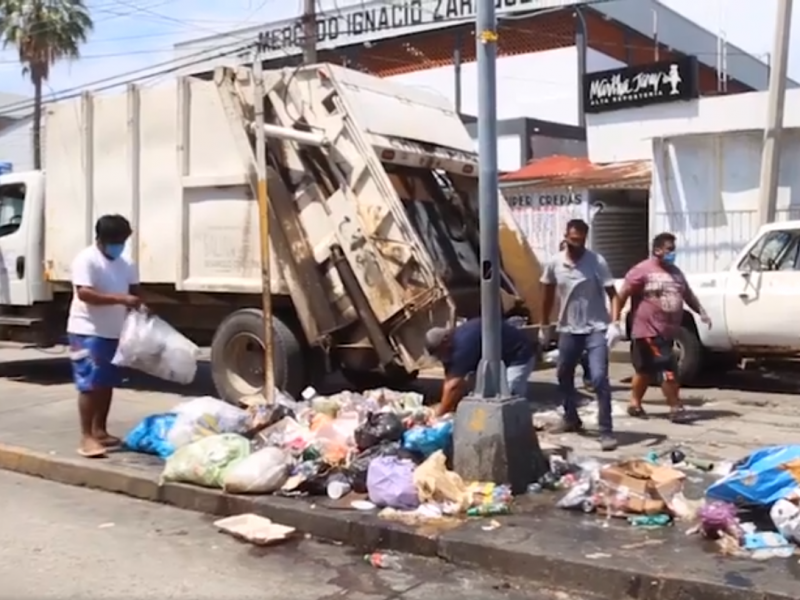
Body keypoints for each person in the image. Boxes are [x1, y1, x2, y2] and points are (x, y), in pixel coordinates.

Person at [613, 232, 710, 423]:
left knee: (645, 371)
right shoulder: (642, 270)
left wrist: (701, 312)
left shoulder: (675, 272)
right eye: (669, 249)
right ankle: (675, 407)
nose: (672, 253)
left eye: (673, 250)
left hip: (667, 331)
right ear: (657, 250)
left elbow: (687, 295)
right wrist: (615, 320)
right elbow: (622, 294)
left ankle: (634, 403)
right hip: (647, 330)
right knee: (668, 366)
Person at [540, 219, 619, 451]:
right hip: (568, 329)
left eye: (581, 240)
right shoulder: (554, 262)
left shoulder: (596, 262)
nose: (576, 244)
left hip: (595, 329)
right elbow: (546, 293)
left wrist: (615, 322)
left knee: (598, 378)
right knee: (563, 374)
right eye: (573, 239)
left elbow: (613, 294)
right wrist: (544, 325)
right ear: (566, 236)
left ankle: (606, 430)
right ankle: (571, 417)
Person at [67, 214, 141, 458]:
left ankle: (100, 430)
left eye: (123, 240)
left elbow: (134, 290)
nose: (119, 245)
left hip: (113, 331)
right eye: (116, 240)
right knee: (90, 384)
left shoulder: (126, 263)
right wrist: (120, 299)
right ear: (101, 239)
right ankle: (86, 437)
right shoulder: (86, 260)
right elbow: (85, 294)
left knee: (106, 382)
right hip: (87, 331)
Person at [425, 317, 535, 417]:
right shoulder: (450, 347)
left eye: (440, 354)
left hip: (518, 355)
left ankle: (515, 423)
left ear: (445, 342)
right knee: (482, 395)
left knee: (509, 397)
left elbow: (453, 385)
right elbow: (450, 380)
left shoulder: (463, 346)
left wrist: (439, 415)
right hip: (493, 358)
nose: (441, 359)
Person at [558, 239, 593, 390]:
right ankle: (567, 385)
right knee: (567, 358)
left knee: (585, 353)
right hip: (565, 321)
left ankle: (589, 378)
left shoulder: (586, 269)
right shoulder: (557, 269)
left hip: (585, 319)